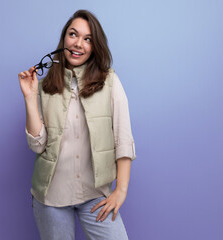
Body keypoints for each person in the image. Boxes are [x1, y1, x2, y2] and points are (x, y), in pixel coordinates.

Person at [18, 9, 136, 240]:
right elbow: (37, 146)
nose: (78, 43)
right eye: (73, 34)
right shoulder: (44, 87)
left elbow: (123, 137)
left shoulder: (109, 81)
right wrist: (30, 98)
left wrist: (120, 190)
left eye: (87, 39)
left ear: (94, 46)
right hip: (51, 197)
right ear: (64, 39)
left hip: (95, 193)